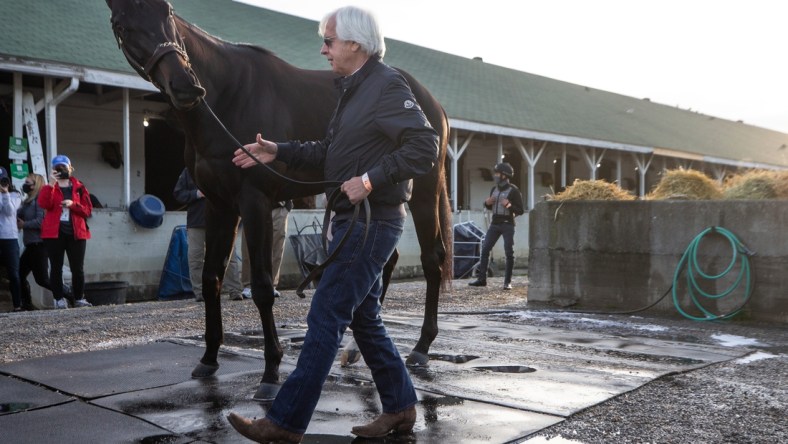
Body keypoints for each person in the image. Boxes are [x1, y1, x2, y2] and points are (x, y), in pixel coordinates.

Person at [227, 6, 439, 442]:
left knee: (325, 317)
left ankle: (284, 423)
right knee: (365, 320)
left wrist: (369, 179)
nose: (322, 49)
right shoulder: (352, 91)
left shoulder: (386, 85)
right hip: (352, 222)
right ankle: (400, 407)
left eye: (329, 41)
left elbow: (426, 146)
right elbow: (329, 153)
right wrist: (278, 150)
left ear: (356, 45)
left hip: (371, 222)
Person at [173, 168, 243, 302]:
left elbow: (237, 192)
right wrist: (196, 194)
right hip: (197, 221)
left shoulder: (224, 167)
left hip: (222, 221)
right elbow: (178, 193)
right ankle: (200, 292)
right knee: (195, 257)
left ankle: (234, 290)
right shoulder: (189, 171)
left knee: (228, 257)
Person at [38, 155, 93, 308]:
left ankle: (79, 298)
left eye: (64, 167)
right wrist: (50, 183)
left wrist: (73, 204)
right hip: (54, 233)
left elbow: (88, 210)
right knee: (56, 267)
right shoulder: (50, 187)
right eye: (57, 167)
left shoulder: (79, 187)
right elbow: (44, 204)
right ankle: (58, 299)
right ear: (53, 169)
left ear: (70, 168)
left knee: (78, 268)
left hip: (76, 232)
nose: (61, 170)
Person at [468, 162, 524, 290]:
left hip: (508, 224)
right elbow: (489, 206)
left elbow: (520, 210)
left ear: (504, 175)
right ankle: (482, 279)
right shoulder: (494, 189)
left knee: (509, 252)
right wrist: (486, 203)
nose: (495, 176)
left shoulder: (514, 190)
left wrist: (509, 205)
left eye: (498, 173)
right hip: (495, 224)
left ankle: (507, 282)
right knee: (485, 248)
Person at [241, 199, 292, 299]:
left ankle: (272, 284)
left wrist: (287, 207)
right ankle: (248, 285)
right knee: (248, 247)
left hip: (279, 207)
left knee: (277, 248)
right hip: (253, 207)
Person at [17, 173, 51, 311]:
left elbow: (41, 222)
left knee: (42, 279)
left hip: (39, 244)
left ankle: (69, 293)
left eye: (28, 183)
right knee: (19, 274)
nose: (25, 185)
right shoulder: (28, 201)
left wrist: (24, 225)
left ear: (35, 185)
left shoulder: (40, 201)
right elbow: (18, 213)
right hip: (30, 245)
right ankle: (27, 303)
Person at [0, 167, 23, 312]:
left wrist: (6, 193)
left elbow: (9, 211)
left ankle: (17, 305)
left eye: (3, 180)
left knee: (14, 274)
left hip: (10, 238)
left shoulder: (15, 194)